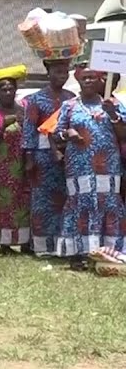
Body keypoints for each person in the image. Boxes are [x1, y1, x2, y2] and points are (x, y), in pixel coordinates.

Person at [53, 65, 126, 268]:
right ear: (78, 80)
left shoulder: (113, 104)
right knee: (80, 203)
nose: (88, 81)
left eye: (92, 77)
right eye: (84, 78)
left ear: (100, 80)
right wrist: (68, 134)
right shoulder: (69, 106)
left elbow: (123, 134)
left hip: (108, 165)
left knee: (107, 202)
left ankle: (110, 251)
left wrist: (113, 116)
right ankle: (78, 252)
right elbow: (56, 134)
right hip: (78, 164)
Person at [22, 58, 74, 256]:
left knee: (64, 198)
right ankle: (42, 245)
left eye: (65, 71)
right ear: (48, 73)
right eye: (58, 71)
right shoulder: (36, 99)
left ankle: (61, 243)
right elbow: (29, 129)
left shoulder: (71, 98)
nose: (62, 75)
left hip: (67, 154)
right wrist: (29, 158)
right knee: (43, 199)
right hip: (42, 155)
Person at [0, 66, 32, 254]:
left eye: (11, 89)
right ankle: (5, 242)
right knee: (5, 202)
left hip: (24, 162)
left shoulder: (24, 111)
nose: (8, 92)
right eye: (3, 89)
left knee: (25, 200)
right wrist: (2, 127)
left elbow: (32, 136)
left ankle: (25, 241)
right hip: (2, 166)